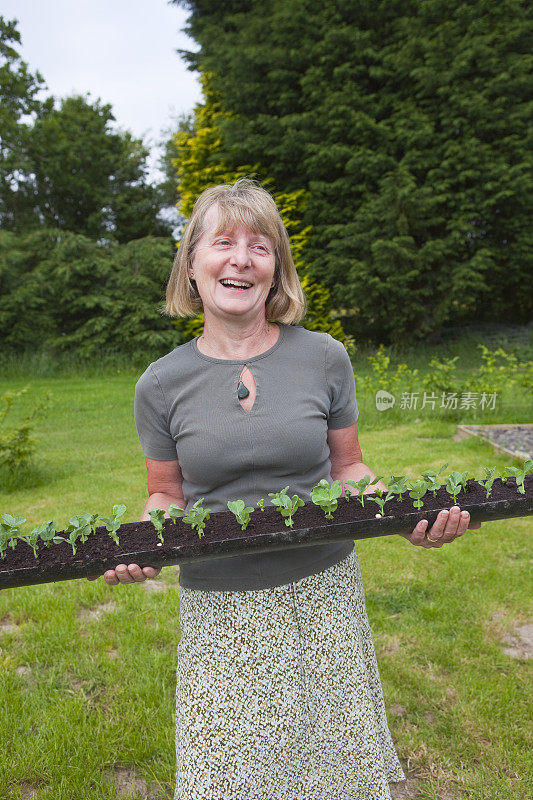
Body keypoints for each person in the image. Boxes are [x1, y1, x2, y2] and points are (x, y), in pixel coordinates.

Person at [96, 179, 480, 800]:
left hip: (323, 595)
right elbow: (166, 494)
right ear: (192, 265)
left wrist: (405, 515)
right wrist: (142, 544)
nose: (241, 259)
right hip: (223, 609)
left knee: (334, 773)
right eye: (223, 242)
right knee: (234, 776)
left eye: (260, 246)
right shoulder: (160, 384)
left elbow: (348, 470)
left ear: (277, 271)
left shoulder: (324, 358)